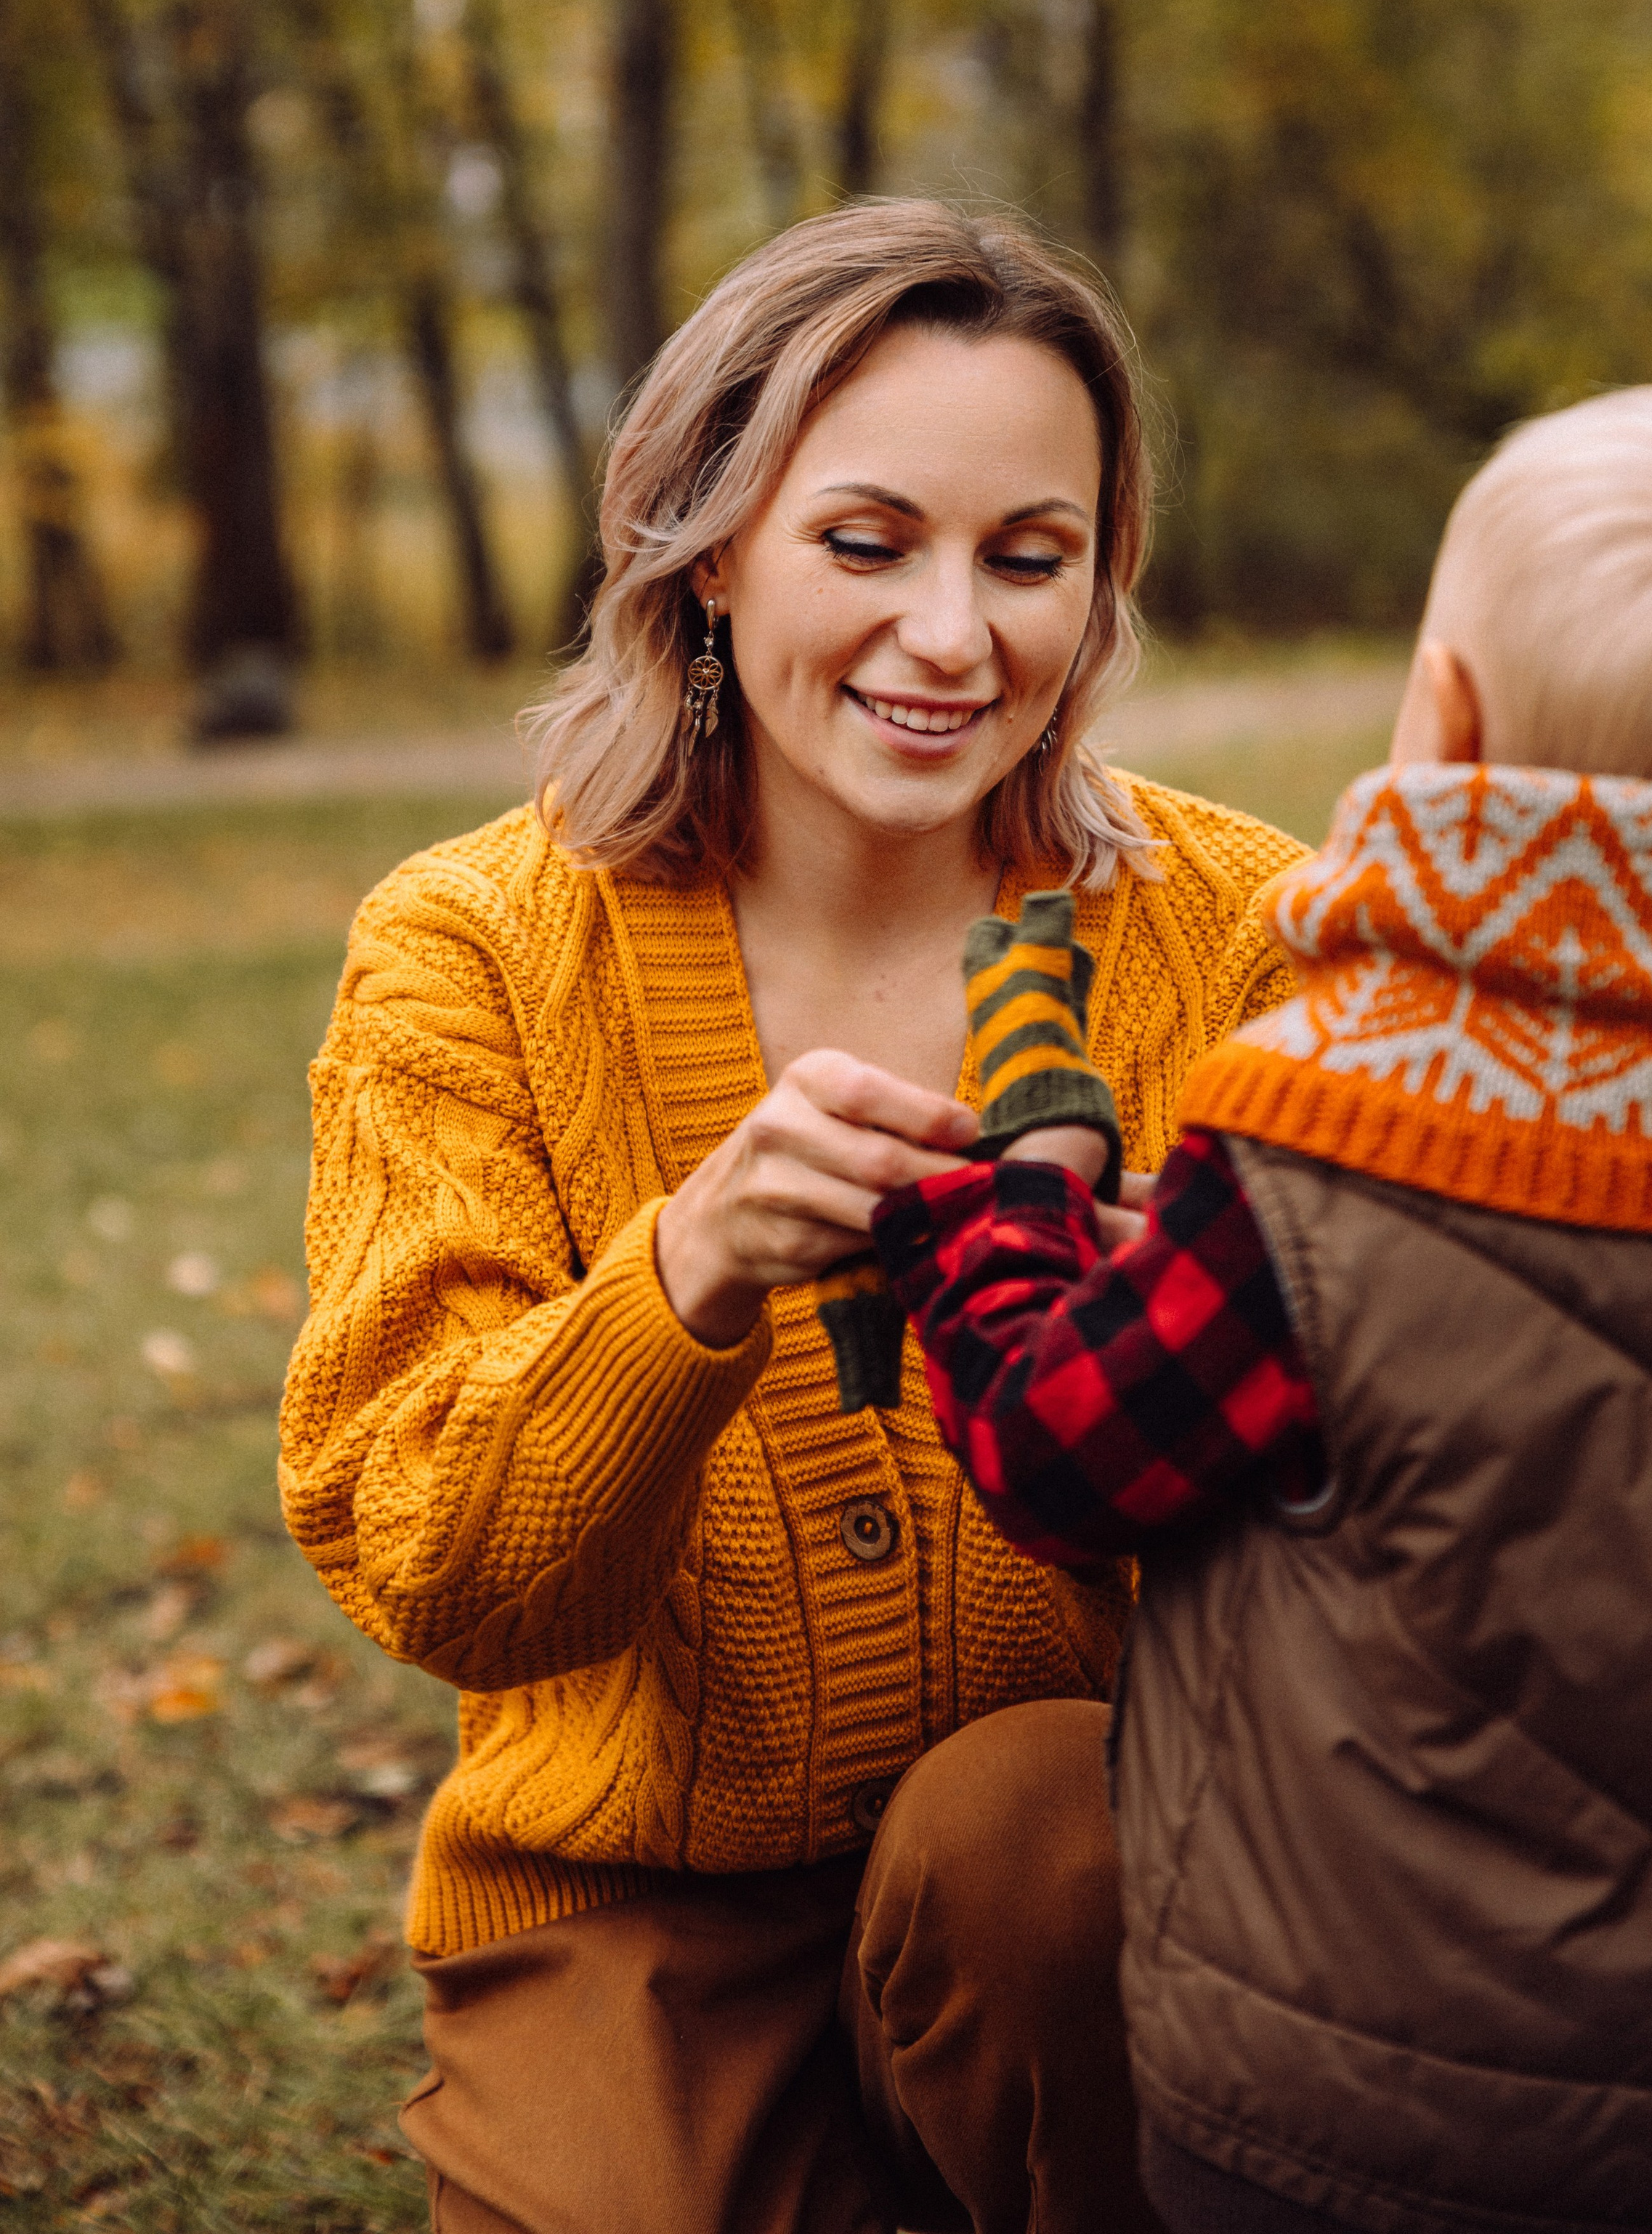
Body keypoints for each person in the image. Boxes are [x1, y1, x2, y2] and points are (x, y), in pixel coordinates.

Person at [278, 198, 1305, 2234]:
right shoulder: (468, 950)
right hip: (635, 1894)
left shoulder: (1248, 941)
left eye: (1032, 559)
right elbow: (439, 1568)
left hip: (1101, 1870)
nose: (954, 637)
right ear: (705, 541)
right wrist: (686, 1273)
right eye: (867, 543)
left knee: (1040, 1835)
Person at [871, 384, 1652, 2234]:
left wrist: (999, 1214)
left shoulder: (1331, 1133)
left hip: (1347, 2112)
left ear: (1448, 712)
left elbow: (1052, 1450)